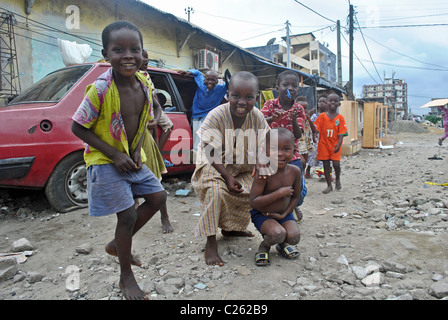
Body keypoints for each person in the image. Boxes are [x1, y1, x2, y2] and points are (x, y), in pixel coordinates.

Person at [71, 21, 167, 300]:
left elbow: (141, 123)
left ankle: (117, 243)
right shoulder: (99, 89)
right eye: (118, 49)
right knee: (126, 214)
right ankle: (126, 277)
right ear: (105, 54)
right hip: (104, 158)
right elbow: (78, 127)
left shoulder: (145, 86)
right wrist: (114, 154)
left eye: (134, 49)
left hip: (130, 155)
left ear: (142, 52)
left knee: (158, 196)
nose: (128, 55)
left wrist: (136, 150)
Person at [191, 71, 270, 267]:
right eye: (236, 96)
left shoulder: (258, 117)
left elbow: (266, 145)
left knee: (255, 191)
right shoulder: (217, 114)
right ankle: (211, 242)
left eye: (248, 97)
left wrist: (263, 168)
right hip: (214, 164)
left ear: (256, 98)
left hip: (242, 165)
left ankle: (231, 228)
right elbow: (208, 150)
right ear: (227, 95)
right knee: (216, 191)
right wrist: (226, 176)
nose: (241, 102)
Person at [250, 128, 301, 266]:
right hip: (263, 214)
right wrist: (278, 194)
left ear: (293, 151)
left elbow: (296, 197)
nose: (279, 154)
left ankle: (282, 244)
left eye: (286, 149)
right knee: (277, 233)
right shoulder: (264, 172)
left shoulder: (295, 172)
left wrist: (285, 212)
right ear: (265, 151)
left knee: (295, 237)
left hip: (284, 214)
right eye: (273, 149)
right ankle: (264, 246)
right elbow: (254, 202)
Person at [261, 70, 307, 220]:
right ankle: (276, 211)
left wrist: (293, 119)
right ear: (277, 87)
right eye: (285, 84)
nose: (290, 88)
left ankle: (294, 206)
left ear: (298, 90)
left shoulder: (299, 109)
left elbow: (299, 134)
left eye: (294, 86)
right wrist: (271, 118)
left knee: (297, 190)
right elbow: (259, 125)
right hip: (270, 154)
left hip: (291, 156)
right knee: (272, 185)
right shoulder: (270, 105)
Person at [139, 49, 174, 168]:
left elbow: (153, 96)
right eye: (143, 57)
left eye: (147, 57)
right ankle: (158, 156)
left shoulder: (146, 74)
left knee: (162, 128)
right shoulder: (137, 76)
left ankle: (157, 155)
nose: (146, 60)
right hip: (146, 110)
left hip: (153, 108)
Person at [183, 68, 228, 151]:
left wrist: (227, 80)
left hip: (208, 116)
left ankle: (197, 153)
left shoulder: (221, 89)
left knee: (201, 134)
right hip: (196, 114)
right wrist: (189, 71)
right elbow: (197, 73)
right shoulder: (200, 83)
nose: (210, 82)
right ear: (204, 80)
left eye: (213, 80)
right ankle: (197, 152)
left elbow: (231, 85)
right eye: (208, 79)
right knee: (196, 134)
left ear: (217, 81)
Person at [314, 93, 347, 194]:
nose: (332, 103)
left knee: (336, 164)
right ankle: (329, 185)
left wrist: (339, 143)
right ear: (327, 103)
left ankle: (337, 179)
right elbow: (316, 129)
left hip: (335, 144)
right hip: (324, 144)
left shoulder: (340, 118)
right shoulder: (322, 116)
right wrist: (313, 133)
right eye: (330, 100)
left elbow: (342, 132)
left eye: (335, 101)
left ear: (339, 104)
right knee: (326, 164)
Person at [305, 95, 327, 178]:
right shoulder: (314, 116)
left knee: (325, 156)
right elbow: (311, 127)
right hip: (316, 139)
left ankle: (323, 173)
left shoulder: (329, 116)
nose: (322, 103)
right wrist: (313, 137)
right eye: (320, 101)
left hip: (326, 140)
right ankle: (307, 171)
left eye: (324, 102)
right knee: (313, 155)